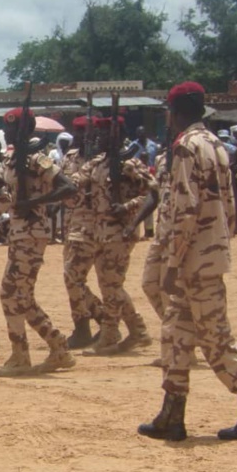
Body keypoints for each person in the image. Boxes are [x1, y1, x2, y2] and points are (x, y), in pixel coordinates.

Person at [138, 81, 237, 443]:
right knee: (176, 333)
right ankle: (172, 413)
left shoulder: (186, 147)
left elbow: (185, 207)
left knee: (214, 336)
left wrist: (172, 263)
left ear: (176, 111)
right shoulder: (216, 145)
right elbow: (228, 204)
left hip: (192, 259)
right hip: (209, 252)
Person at [0, 109, 78, 376]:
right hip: (19, 232)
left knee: (11, 293)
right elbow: (4, 184)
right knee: (21, 296)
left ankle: (21, 355)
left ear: (25, 130)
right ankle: (58, 346)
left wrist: (35, 203)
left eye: (12, 128)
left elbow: (68, 187)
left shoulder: (36, 159)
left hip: (32, 233)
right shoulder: (13, 158)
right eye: (6, 129)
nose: (7, 133)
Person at [77, 116, 155, 355]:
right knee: (109, 284)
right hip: (99, 231)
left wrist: (128, 208)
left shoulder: (129, 164)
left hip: (121, 231)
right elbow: (76, 181)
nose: (98, 138)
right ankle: (137, 329)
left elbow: (152, 194)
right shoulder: (99, 163)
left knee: (111, 283)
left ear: (117, 136)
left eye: (103, 134)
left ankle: (110, 335)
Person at [61, 116, 106, 348]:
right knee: (72, 277)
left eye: (85, 133)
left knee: (72, 276)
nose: (80, 137)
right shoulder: (70, 158)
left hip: (91, 225)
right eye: (77, 133)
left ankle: (93, 322)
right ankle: (91, 321)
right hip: (71, 224)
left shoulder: (101, 161)